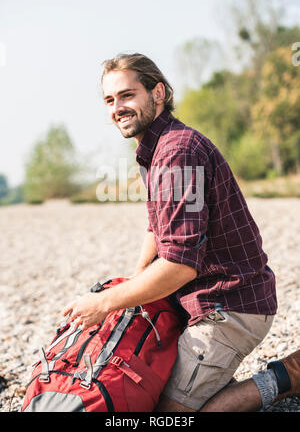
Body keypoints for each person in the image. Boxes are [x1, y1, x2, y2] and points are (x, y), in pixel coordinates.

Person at [63, 53, 300, 412]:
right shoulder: (154, 149)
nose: (117, 108)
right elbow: (158, 228)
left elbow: (179, 266)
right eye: (110, 100)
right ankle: (209, 377)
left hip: (230, 304)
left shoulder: (178, 152)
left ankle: (289, 376)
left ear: (158, 92)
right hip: (191, 298)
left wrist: (105, 302)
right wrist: (135, 284)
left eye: (127, 95)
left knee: (171, 418)